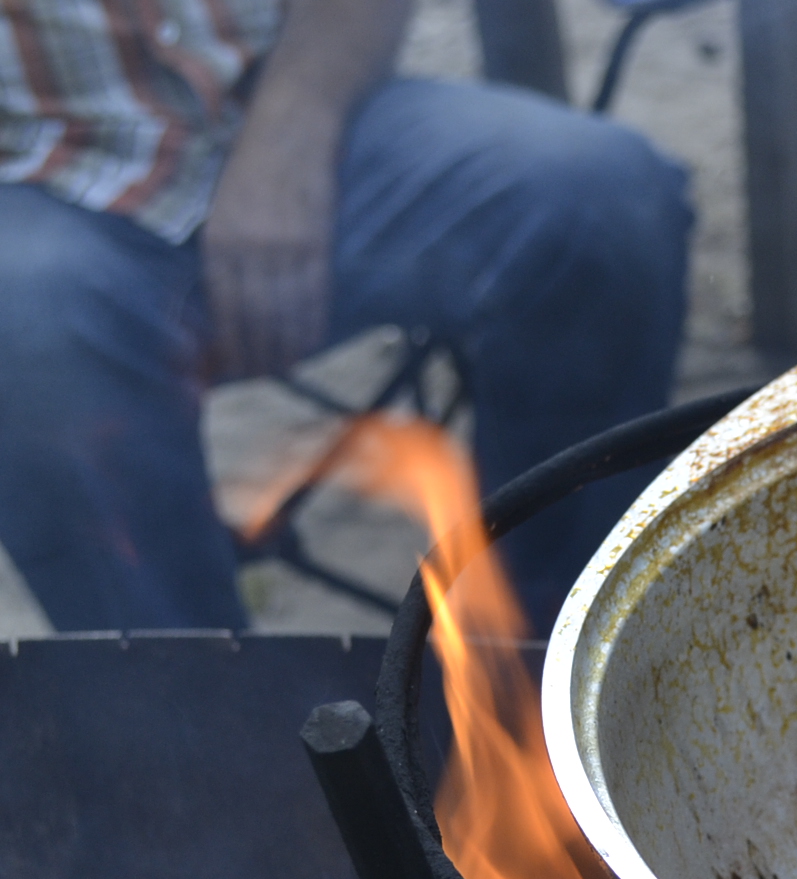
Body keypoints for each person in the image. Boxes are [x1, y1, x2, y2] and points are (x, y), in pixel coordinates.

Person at [0, 0, 693, 635]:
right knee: (28, 333)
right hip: (34, 187)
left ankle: (557, 665)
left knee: (600, 202)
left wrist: (286, 144)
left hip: (283, 112)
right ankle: (190, 722)